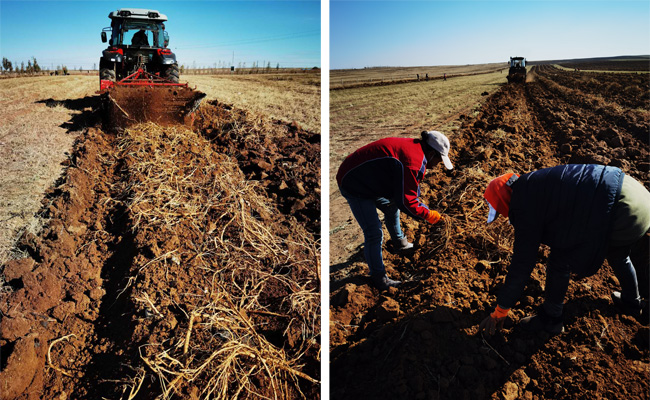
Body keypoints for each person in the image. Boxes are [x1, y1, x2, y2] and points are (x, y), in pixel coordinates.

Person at [479, 164, 650, 335]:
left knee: (560, 259)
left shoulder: (523, 205)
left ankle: (550, 319)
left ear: (504, 201)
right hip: (637, 196)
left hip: (620, 209)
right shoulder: (536, 182)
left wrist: (501, 310)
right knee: (618, 254)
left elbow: (522, 264)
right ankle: (632, 303)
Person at [336, 131, 454, 290]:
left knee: (391, 206)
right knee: (374, 233)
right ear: (432, 153)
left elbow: (407, 191)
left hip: (370, 178)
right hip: (353, 182)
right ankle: (380, 278)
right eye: (439, 161)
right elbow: (407, 202)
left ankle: (400, 244)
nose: (437, 165)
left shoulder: (416, 150)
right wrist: (430, 215)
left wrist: (422, 208)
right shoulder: (414, 160)